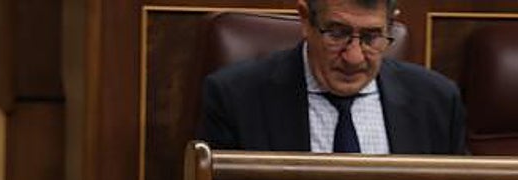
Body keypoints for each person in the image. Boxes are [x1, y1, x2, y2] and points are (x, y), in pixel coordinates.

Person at [198, 0, 466, 154]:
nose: (354, 57)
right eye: (337, 34)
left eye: (372, 37)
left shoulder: (437, 102)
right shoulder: (236, 97)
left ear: (391, 25)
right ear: (305, 20)